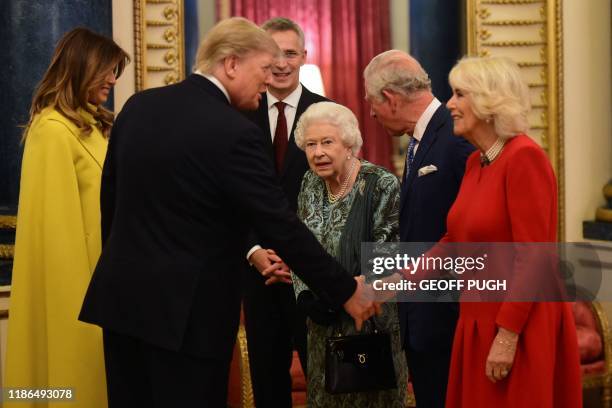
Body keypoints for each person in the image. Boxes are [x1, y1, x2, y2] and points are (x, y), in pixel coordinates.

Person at [78, 17, 376, 407]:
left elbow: (111, 206)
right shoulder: (233, 131)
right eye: (264, 70)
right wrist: (346, 290)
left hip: (121, 306)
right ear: (232, 64)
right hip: (188, 320)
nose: (268, 82)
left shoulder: (136, 108)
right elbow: (280, 224)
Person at [440, 56, 581, 407]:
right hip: (477, 321)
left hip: (519, 324)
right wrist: (395, 279)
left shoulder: (524, 158)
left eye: (459, 94)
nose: (450, 104)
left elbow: (534, 255)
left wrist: (508, 334)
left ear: (489, 101)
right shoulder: (477, 161)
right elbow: (454, 242)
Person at [4, 28, 129, 408]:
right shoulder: (51, 130)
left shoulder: (94, 127)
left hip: (105, 279)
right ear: (81, 67)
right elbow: (56, 231)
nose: (112, 79)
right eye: (106, 70)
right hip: (74, 288)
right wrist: (82, 301)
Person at [363, 49, 474, 407]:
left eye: (371, 102)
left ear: (390, 99)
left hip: (448, 317)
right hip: (423, 316)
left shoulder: (455, 135)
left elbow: (469, 231)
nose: (371, 112)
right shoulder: (420, 140)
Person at [287, 101, 409, 407]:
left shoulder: (381, 184)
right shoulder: (310, 183)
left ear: (349, 143)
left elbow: (388, 256)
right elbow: (300, 246)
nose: (318, 153)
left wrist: (340, 294)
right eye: (310, 144)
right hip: (321, 327)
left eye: (327, 142)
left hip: (369, 324)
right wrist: (305, 297)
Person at [240, 17, 329, 407]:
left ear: (303, 57)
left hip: (312, 275)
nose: (281, 63)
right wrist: (254, 251)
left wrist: (300, 258)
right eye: (273, 54)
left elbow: (340, 196)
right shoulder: (238, 112)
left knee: (325, 381)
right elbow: (227, 195)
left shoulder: (328, 113)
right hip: (256, 271)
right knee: (267, 383)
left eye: (289, 53)